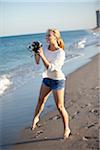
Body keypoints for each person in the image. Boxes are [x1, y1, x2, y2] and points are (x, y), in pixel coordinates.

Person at [32, 29, 71, 139]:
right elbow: (37, 61)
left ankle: (67, 128)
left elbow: (51, 68)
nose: (46, 38)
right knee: (40, 100)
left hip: (57, 81)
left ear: (55, 37)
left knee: (60, 106)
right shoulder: (44, 48)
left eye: (49, 36)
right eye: (46, 36)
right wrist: (36, 52)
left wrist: (42, 55)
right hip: (47, 79)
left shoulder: (60, 53)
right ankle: (36, 117)